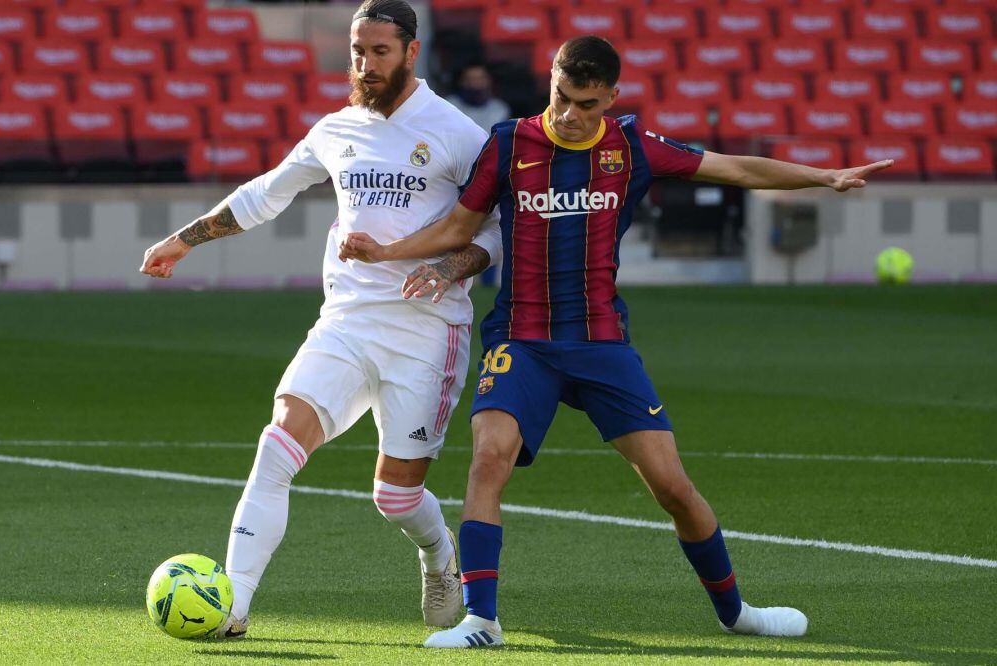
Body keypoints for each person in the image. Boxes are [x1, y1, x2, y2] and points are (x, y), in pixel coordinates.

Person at [338, 35, 893, 648]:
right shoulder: (508, 143)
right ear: (550, 81)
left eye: (587, 105)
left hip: (601, 340)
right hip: (521, 336)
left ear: (611, 100)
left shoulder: (632, 146)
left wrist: (827, 177)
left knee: (672, 488)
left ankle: (738, 613)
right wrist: (387, 251)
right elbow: (457, 226)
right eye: (563, 98)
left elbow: (732, 167)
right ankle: (482, 620)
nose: (571, 116)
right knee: (489, 457)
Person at [139, 0, 502, 638]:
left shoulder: (456, 131)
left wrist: (448, 270)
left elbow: (500, 231)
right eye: (357, 51)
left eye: (379, 52)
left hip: (426, 330)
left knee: (394, 497)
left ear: (411, 52)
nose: (363, 64)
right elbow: (267, 191)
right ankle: (235, 604)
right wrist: (185, 239)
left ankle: (438, 552)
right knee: (276, 445)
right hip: (346, 320)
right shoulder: (337, 130)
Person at [445, 64, 511, 135]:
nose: (475, 84)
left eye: (480, 78)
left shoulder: (500, 109)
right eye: (470, 79)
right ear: (461, 82)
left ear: (489, 80)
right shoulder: (448, 105)